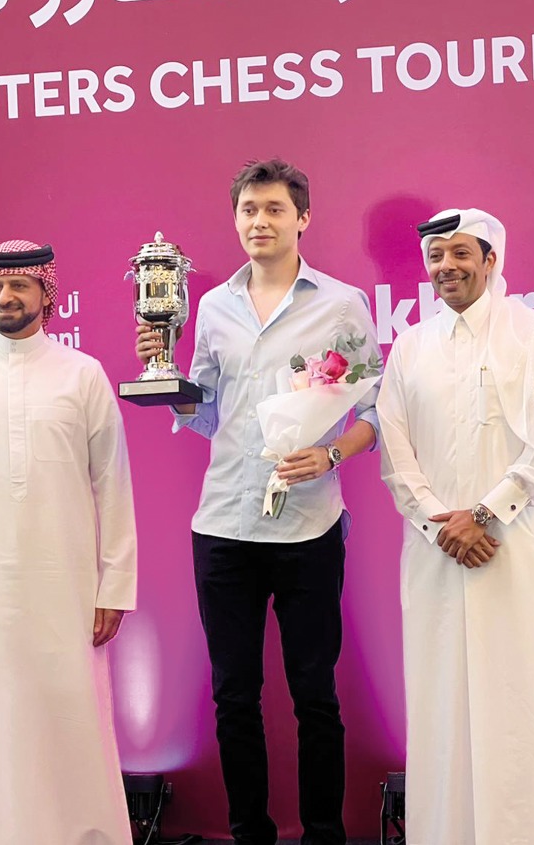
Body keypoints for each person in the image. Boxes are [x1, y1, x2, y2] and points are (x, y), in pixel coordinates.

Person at [136, 159, 379, 845]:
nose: (259, 222)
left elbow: (375, 405)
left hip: (309, 525)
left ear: (303, 217)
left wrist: (330, 454)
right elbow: (209, 412)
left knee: (315, 696)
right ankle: (250, 832)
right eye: (248, 210)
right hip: (224, 524)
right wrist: (168, 377)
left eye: (274, 209)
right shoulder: (211, 306)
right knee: (233, 696)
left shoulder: (341, 302)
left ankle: (324, 831)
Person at [0, 240, 137, 845]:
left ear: (46, 293)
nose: (6, 297)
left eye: (19, 286)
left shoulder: (80, 373)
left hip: (65, 586)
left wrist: (114, 586)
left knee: (71, 720)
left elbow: (112, 485)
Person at [376, 209, 534, 845]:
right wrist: (437, 522)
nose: (447, 267)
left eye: (461, 254)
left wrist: (485, 513)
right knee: (444, 704)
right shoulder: (411, 345)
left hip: (516, 550)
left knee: (523, 701)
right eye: (436, 255)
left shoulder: (532, 335)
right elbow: (393, 445)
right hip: (438, 549)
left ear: (491, 260)